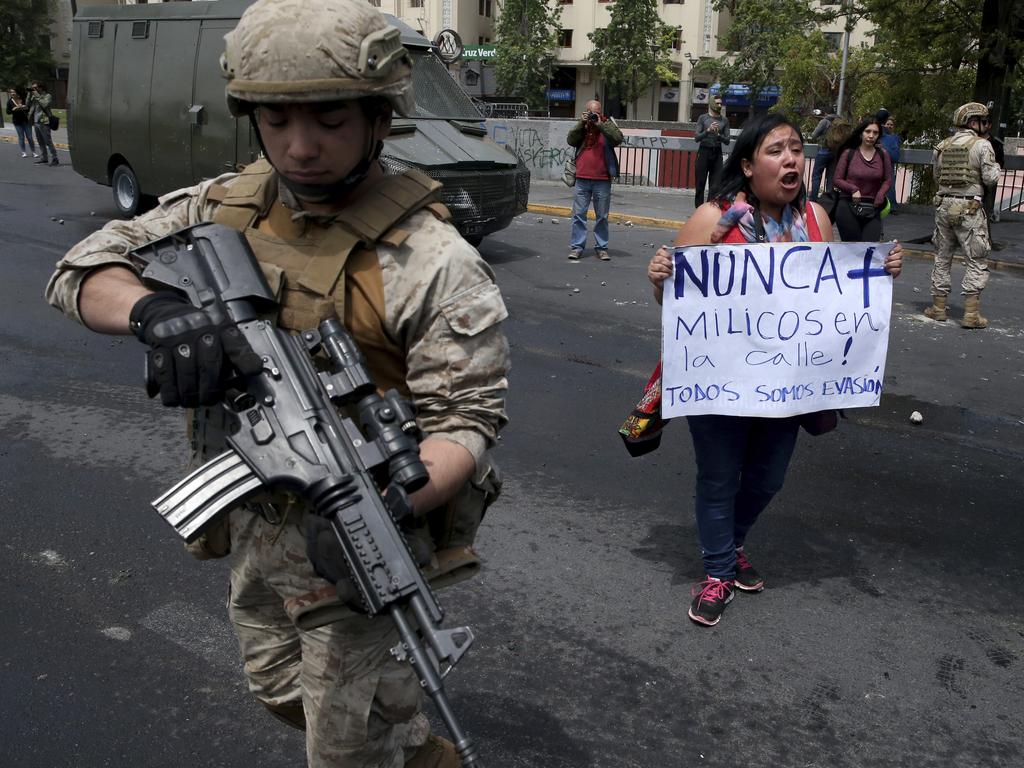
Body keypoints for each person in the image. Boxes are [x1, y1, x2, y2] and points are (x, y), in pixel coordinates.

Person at [44, 0, 510, 765]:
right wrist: (154, 313)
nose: (299, 147)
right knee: (272, 683)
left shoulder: (434, 260)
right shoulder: (224, 205)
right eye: (275, 120)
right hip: (256, 518)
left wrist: (397, 496)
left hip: (357, 535)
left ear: (378, 118)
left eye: (328, 120)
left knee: (344, 750)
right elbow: (81, 269)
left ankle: (397, 743)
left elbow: (468, 421)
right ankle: (402, 735)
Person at [646, 113, 903, 627]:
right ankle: (718, 569)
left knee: (768, 478)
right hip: (719, 383)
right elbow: (678, 300)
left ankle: (733, 542)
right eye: (775, 150)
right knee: (718, 479)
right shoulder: (711, 218)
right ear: (747, 165)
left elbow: (836, 298)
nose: (791, 159)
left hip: (785, 387)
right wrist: (659, 276)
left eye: (795, 149)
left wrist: (878, 272)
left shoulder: (815, 221)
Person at [923, 101, 1001, 329]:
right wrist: (996, 166)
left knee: (942, 256)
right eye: (983, 121)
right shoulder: (982, 146)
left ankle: (938, 308)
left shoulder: (942, 145)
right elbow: (990, 179)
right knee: (975, 258)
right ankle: (971, 314)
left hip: (943, 205)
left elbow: (937, 177)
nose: (986, 125)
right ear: (973, 122)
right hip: (969, 208)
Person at [566, 99, 623, 261]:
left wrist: (600, 124)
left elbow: (618, 139)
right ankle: (577, 247)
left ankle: (602, 248)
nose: (593, 115)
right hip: (582, 178)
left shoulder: (607, 124)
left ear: (601, 112)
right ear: (586, 111)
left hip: (602, 179)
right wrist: (581, 124)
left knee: (602, 216)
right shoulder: (583, 127)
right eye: (591, 112)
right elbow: (570, 140)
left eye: (596, 112)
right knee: (578, 215)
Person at [831, 118, 892, 242]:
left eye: (875, 133)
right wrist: (853, 189)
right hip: (848, 205)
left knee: (869, 249)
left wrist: (881, 194)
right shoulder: (849, 153)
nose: (871, 136)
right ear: (861, 133)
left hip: (873, 208)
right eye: (867, 131)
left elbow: (888, 179)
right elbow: (837, 179)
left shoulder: (883, 154)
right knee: (853, 251)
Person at [692, 95, 731, 207]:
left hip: (717, 153)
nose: (719, 105)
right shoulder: (703, 118)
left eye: (720, 103)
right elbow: (696, 138)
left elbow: (727, 140)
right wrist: (708, 131)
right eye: (717, 103)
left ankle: (708, 210)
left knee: (715, 186)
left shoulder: (724, 120)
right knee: (700, 184)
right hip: (704, 152)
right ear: (711, 103)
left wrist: (718, 135)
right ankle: (698, 209)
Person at [28, 81, 58, 166]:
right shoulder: (34, 96)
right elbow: (28, 105)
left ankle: (55, 158)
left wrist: (37, 96)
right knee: (40, 141)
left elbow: (45, 104)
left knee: (48, 141)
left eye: (35, 88)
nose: (34, 89)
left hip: (44, 121)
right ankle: (44, 158)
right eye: (33, 88)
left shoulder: (47, 96)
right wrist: (29, 95)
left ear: (41, 88)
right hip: (36, 121)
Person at [808, 109, 834, 202]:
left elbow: (814, 135)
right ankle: (829, 201)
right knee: (831, 177)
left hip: (823, 152)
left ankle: (813, 200)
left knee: (816, 176)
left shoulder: (824, 121)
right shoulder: (839, 120)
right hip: (835, 153)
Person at [878, 112, 901, 212]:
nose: (889, 126)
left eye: (891, 124)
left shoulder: (894, 138)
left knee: (890, 188)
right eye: (887, 124)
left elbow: (895, 156)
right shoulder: (875, 136)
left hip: (888, 168)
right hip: (877, 168)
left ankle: (892, 207)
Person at [6, 86, 38, 158]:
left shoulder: (22, 99)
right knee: (21, 137)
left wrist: (24, 107)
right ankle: (24, 152)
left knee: (29, 137)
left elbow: (27, 108)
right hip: (17, 122)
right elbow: (8, 112)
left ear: (17, 93)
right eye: (11, 92)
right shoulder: (9, 102)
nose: (12, 93)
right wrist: (13, 109)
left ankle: (34, 152)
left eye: (13, 92)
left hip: (25, 120)